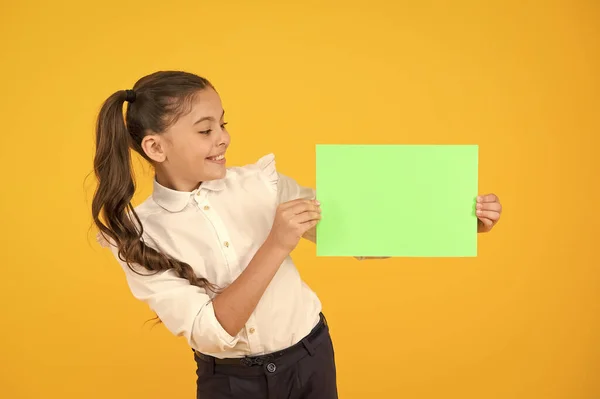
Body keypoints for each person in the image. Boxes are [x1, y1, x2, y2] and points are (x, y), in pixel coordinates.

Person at [92, 70, 503, 399]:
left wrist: (454, 221)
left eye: (223, 124)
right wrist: (276, 243)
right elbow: (210, 331)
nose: (224, 138)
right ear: (156, 148)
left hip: (310, 361)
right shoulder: (137, 235)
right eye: (205, 130)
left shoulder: (262, 184)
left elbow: (356, 231)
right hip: (230, 384)